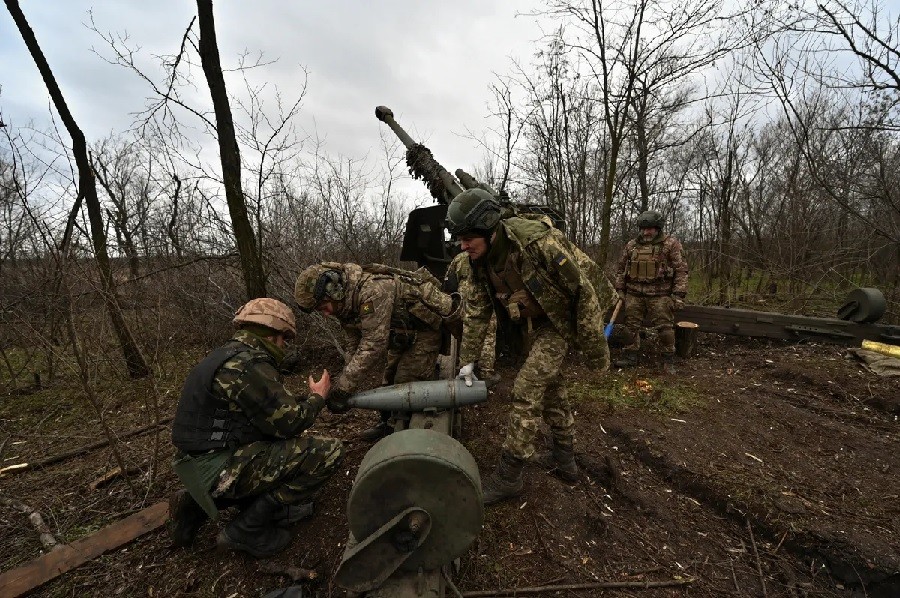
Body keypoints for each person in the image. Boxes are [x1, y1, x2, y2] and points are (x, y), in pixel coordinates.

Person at [444, 188, 609, 505]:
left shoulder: (534, 241)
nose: (462, 246)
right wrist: (467, 363)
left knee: (526, 388)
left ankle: (509, 476)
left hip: (561, 320)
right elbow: (478, 311)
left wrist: (596, 353)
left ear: (489, 228)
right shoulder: (478, 261)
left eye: (467, 238)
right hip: (533, 323)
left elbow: (584, 293)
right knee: (552, 387)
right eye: (460, 239)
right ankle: (566, 460)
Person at [169, 298, 344, 558]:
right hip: (218, 468)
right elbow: (290, 424)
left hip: (195, 464)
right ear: (274, 334)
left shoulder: (224, 356)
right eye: (285, 339)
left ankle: (194, 506)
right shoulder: (248, 365)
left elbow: (258, 414)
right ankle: (246, 529)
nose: (284, 346)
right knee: (329, 452)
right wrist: (318, 397)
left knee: (272, 445)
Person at [294, 262, 457, 440]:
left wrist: (343, 388)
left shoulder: (373, 291)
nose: (325, 314)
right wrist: (344, 385)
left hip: (425, 331)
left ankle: (411, 435)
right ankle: (388, 425)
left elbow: (374, 344)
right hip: (401, 334)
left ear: (334, 290)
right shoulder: (345, 302)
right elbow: (353, 344)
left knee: (406, 381)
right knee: (388, 381)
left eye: (323, 307)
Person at [613, 210, 689, 373]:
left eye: (651, 228)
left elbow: (681, 270)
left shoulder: (670, 244)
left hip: (660, 295)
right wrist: (620, 290)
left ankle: (668, 360)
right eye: (643, 228)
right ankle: (630, 355)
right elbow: (620, 269)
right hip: (634, 293)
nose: (646, 232)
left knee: (665, 330)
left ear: (658, 228)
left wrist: (678, 295)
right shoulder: (631, 245)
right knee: (630, 328)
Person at [443, 250, 500, 388]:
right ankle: (486, 374)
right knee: (488, 336)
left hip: (463, 304)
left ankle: (464, 369)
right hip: (483, 304)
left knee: (465, 335)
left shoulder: (458, 259)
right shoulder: (487, 257)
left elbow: (449, 283)